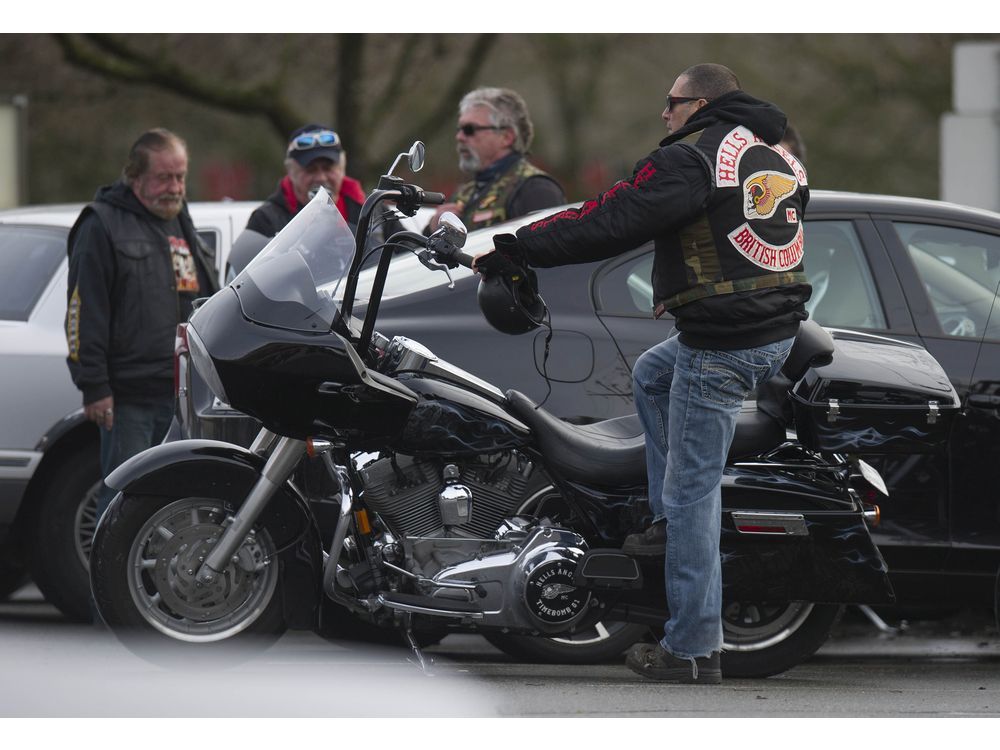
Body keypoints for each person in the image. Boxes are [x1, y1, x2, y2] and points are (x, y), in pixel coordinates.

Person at [477, 64, 811, 684]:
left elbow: (609, 219)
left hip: (722, 346)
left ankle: (690, 648)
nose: (665, 114)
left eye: (672, 103)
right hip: (774, 334)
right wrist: (684, 284)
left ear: (702, 104)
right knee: (654, 374)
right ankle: (663, 523)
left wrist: (519, 247)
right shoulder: (776, 155)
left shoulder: (692, 159)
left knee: (694, 494)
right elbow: (747, 234)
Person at [65, 128, 218, 519]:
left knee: (176, 501)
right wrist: (94, 386)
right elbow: (84, 312)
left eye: (180, 176)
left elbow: (204, 295)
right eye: (164, 177)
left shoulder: (179, 220)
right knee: (125, 502)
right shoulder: (100, 224)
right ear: (134, 177)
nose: (175, 187)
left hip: (181, 394)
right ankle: (109, 580)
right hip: (127, 397)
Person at [228, 124, 366, 280]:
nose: (321, 177)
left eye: (328, 168)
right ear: (291, 173)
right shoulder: (267, 220)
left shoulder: (369, 211)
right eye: (311, 169)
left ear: (342, 169)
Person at [427, 87, 566, 233]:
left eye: (469, 129)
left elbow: (547, 249)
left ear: (506, 137)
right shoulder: (465, 194)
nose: (460, 137)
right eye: (459, 129)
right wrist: (432, 228)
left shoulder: (536, 189)